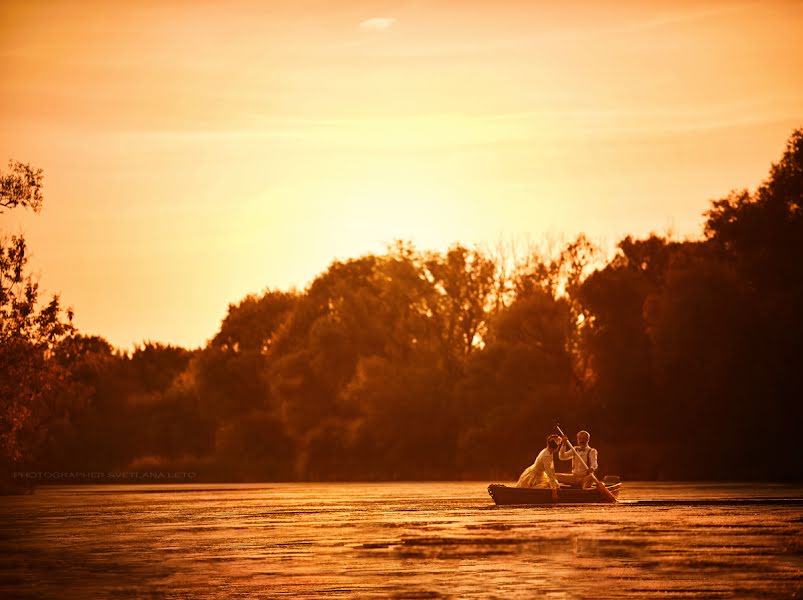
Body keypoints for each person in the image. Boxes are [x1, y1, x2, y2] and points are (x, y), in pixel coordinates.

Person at [515, 434, 562, 501]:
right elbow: (550, 473)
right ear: (556, 447)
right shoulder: (546, 456)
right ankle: (528, 492)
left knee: (555, 484)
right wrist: (554, 492)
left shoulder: (548, 451)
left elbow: (551, 470)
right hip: (534, 476)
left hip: (540, 474)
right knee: (549, 486)